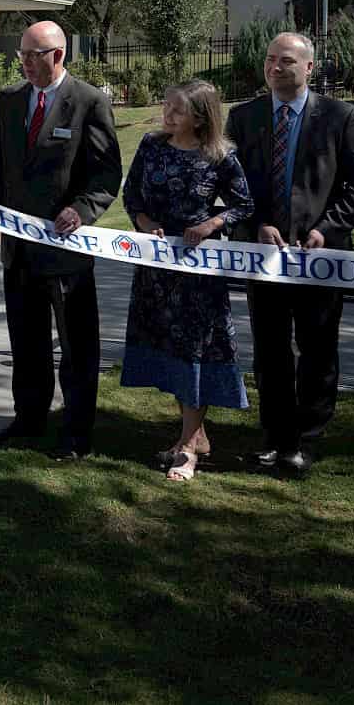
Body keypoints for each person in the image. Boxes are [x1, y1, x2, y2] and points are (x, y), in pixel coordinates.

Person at [227, 33, 354, 476]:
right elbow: (229, 182)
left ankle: (306, 440)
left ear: (309, 68)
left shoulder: (339, 116)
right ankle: (275, 437)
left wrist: (329, 229)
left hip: (321, 257)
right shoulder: (245, 117)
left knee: (317, 348)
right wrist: (253, 226)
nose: (275, 67)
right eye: (270, 60)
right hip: (264, 256)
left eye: (287, 61)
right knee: (270, 350)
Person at [0, 21, 122, 461]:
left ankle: (76, 432)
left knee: (76, 345)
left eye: (32, 56)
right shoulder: (10, 100)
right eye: (22, 55)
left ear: (57, 55)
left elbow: (106, 172)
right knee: (26, 338)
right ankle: (29, 419)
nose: (24, 63)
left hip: (64, 250)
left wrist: (82, 208)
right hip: (19, 249)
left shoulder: (89, 102)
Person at [119, 79, 255, 483]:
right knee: (170, 351)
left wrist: (211, 223)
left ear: (199, 117)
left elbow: (243, 204)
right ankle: (194, 436)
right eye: (166, 106)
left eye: (177, 110)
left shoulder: (221, 156)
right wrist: (145, 223)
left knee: (195, 353)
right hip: (156, 268)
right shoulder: (151, 144)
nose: (168, 114)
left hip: (198, 273)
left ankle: (187, 448)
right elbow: (132, 197)